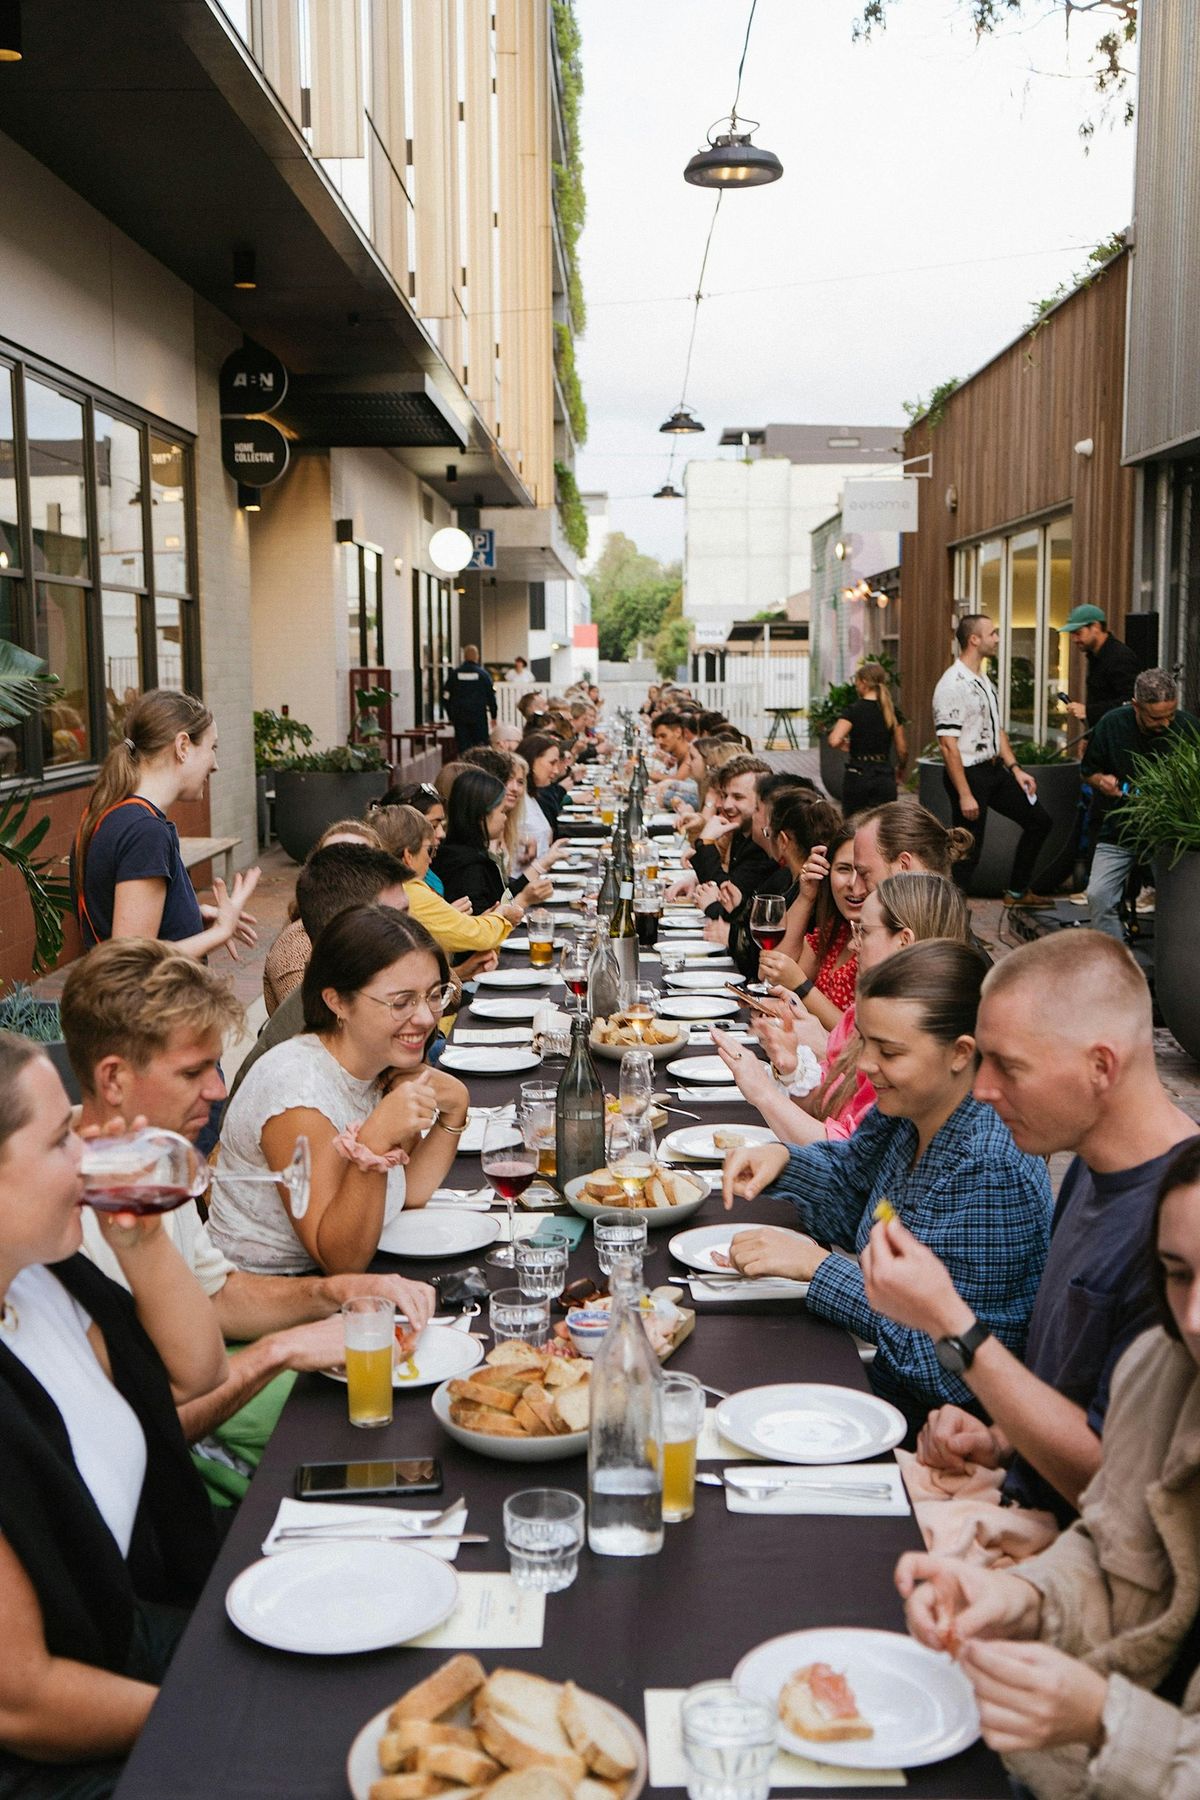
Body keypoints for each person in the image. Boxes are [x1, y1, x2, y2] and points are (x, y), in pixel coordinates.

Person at [63, 941, 435, 1507]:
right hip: (159, 1491)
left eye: (215, 1066)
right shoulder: (57, 1221)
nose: (217, 1091)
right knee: (399, 1415)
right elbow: (140, 1422)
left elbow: (218, 1295)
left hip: (208, 1394)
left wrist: (340, 1290)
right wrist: (280, 1351)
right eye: (194, 1072)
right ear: (113, 1080)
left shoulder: (149, 1159)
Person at [861, 929, 1198, 1533]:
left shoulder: (1179, 1226)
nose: (984, 1090)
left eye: (1009, 1067)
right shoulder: (1094, 1166)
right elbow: (1070, 1386)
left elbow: (1124, 1486)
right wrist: (998, 1438)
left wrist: (950, 1324)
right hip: (1021, 1504)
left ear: (1101, 1066)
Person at [897, 1135, 1200, 1799]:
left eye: (1010, 1064)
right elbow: (1110, 1543)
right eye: (1178, 1274)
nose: (1195, 1316)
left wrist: (1103, 1720)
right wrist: (1024, 1598)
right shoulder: (1164, 1366)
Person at [0, 1031, 224, 1794]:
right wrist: (218, 1712)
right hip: (64, 1757)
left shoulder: (40, 1281)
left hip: (137, 1631)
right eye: (63, 1135)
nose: (90, 1147)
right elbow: (24, 1703)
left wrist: (141, 1239)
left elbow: (197, 1373)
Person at [721, 940, 1052, 1435]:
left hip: (933, 1432)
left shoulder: (991, 1169)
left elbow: (954, 1368)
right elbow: (854, 1190)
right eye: (867, 1043)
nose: (868, 1065)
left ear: (961, 1053)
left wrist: (819, 1269)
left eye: (889, 1051)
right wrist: (784, 1162)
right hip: (880, 1386)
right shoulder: (912, 1108)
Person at [211, 908, 468, 1275]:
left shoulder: (379, 1064)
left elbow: (405, 1194)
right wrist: (374, 1141)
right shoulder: (297, 1092)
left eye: (433, 995)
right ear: (337, 1001)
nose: (427, 1018)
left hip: (350, 1279)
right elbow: (339, 1260)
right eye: (401, 1002)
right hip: (271, 1297)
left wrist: (455, 1108)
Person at [716, 872, 970, 1148]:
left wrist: (764, 1093)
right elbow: (826, 1106)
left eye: (864, 931)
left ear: (904, 941)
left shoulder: (920, 1044)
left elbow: (850, 1157)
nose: (852, 944)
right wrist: (790, 1068)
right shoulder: (861, 1013)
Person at [74, 687, 260, 957]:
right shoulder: (145, 832)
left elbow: (125, 920)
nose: (215, 764)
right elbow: (133, 961)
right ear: (183, 746)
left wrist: (190, 917)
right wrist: (221, 931)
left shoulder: (114, 816)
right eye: (212, 747)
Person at [228, 842, 416, 1104]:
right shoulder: (297, 1068)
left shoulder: (354, 993)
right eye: (396, 922)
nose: (411, 934)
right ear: (346, 931)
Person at [933, 614, 1054, 905]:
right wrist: (965, 794)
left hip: (994, 770)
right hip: (968, 775)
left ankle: (1017, 891)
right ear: (974, 639)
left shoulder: (982, 679)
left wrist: (1016, 769)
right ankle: (952, 926)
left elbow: (996, 729)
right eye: (993, 633)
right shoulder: (952, 683)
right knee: (967, 852)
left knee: (1039, 821)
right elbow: (948, 746)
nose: (997, 639)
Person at [1083, 668, 1200, 939]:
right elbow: (1088, 772)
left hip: (1171, 836)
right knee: (1098, 896)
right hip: (1119, 829)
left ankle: (1175, 967)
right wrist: (1101, 781)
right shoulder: (1111, 724)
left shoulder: (1190, 727)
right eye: (1157, 717)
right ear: (1136, 705)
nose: (1167, 723)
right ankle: (1117, 964)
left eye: (1171, 714)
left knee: (1181, 901)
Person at [263, 817, 385, 1015]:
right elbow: (309, 1026)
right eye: (333, 862)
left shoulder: (378, 926)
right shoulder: (297, 948)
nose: (345, 874)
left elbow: (451, 993)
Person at [387, 802, 541, 952]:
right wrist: (503, 914)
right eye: (429, 850)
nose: (431, 859)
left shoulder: (387, 886)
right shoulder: (411, 890)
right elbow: (476, 936)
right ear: (408, 856)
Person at [757, 818, 862, 1027]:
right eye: (844, 869)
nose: (853, 884)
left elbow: (855, 1036)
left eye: (863, 872)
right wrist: (806, 896)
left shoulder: (884, 940)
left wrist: (801, 987)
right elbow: (770, 974)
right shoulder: (836, 930)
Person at [432, 769, 524, 914]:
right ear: (481, 817)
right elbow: (485, 925)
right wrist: (525, 899)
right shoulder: (469, 869)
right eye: (502, 811)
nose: (505, 818)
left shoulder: (456, 853)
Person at [826, 661, 907, 813]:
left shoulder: (854, 710)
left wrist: (844, 744)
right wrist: (901, 769)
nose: (856, 686)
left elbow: (834, 739)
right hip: (883, 775)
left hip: (857, 775)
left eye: (856, 681)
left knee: (853, 826)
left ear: (863, 682)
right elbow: (902, 749)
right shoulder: (892, 711)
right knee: (883, 827)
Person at [1059, 604, 1141, 733]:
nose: (1074, 639)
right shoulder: (1095, 656)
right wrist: (1089, 736)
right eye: (1072, 634)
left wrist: (1088, 711)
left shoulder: (1120, 657)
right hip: (1103, 733)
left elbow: (1131, 701)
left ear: (1096, 627)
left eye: (1078, 633)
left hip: (1119, 735)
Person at [372, 781, 450, 893]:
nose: (441, 834)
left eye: (442, 825)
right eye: (432, 826)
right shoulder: (390, 887)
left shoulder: (431, 875)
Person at [442, 643, 497, 752]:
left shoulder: (454, 674)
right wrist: (493, 715)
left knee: (463, 746)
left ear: (464, 657)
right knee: (481, 747)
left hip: (460, 717)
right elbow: (491, 697)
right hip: (478, 716)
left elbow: (445, 697)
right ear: (477, 657)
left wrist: (450, 715)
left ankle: (465, 765)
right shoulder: (483, 675)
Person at [517, 732, 571, 835]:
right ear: (532, 760)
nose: (556, 771)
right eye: (552, 763)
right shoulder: (517, 798)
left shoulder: (535, 794)